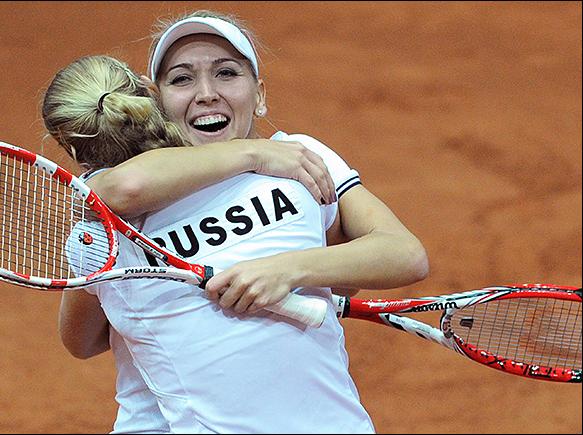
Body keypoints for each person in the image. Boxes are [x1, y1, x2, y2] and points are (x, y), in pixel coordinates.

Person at [45, 10, 428, 434]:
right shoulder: (111, 213)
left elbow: (402, 255)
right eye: (182, 79)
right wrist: (254, 153)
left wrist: (286, 269)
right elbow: (83, 337)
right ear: (155, 102)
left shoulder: (299, 160)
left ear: (259, 94)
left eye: (226, 73)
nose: (207, 93)